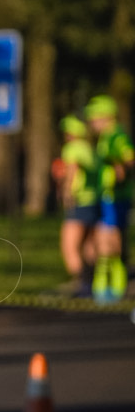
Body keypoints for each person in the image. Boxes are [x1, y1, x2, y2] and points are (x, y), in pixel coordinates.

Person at [86, 95, 133, 303]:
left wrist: (119, 170)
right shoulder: (107, 136)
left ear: (106, 117)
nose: (92, 123)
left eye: (94, 118)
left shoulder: (116, 136)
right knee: (105, 238)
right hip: (108, 196)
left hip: (114, 197)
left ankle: (112, 288)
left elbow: (129, 158)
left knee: (109, 240)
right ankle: (107, 286)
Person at [57, 114, 98, 297]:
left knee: (69, 244)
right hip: (95, 200)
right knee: (89, 243)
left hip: (79, 200)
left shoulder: (72, 148)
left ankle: (80, 282)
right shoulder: (90, 148)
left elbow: (72, 169)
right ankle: (92, 281)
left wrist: (67, 192)